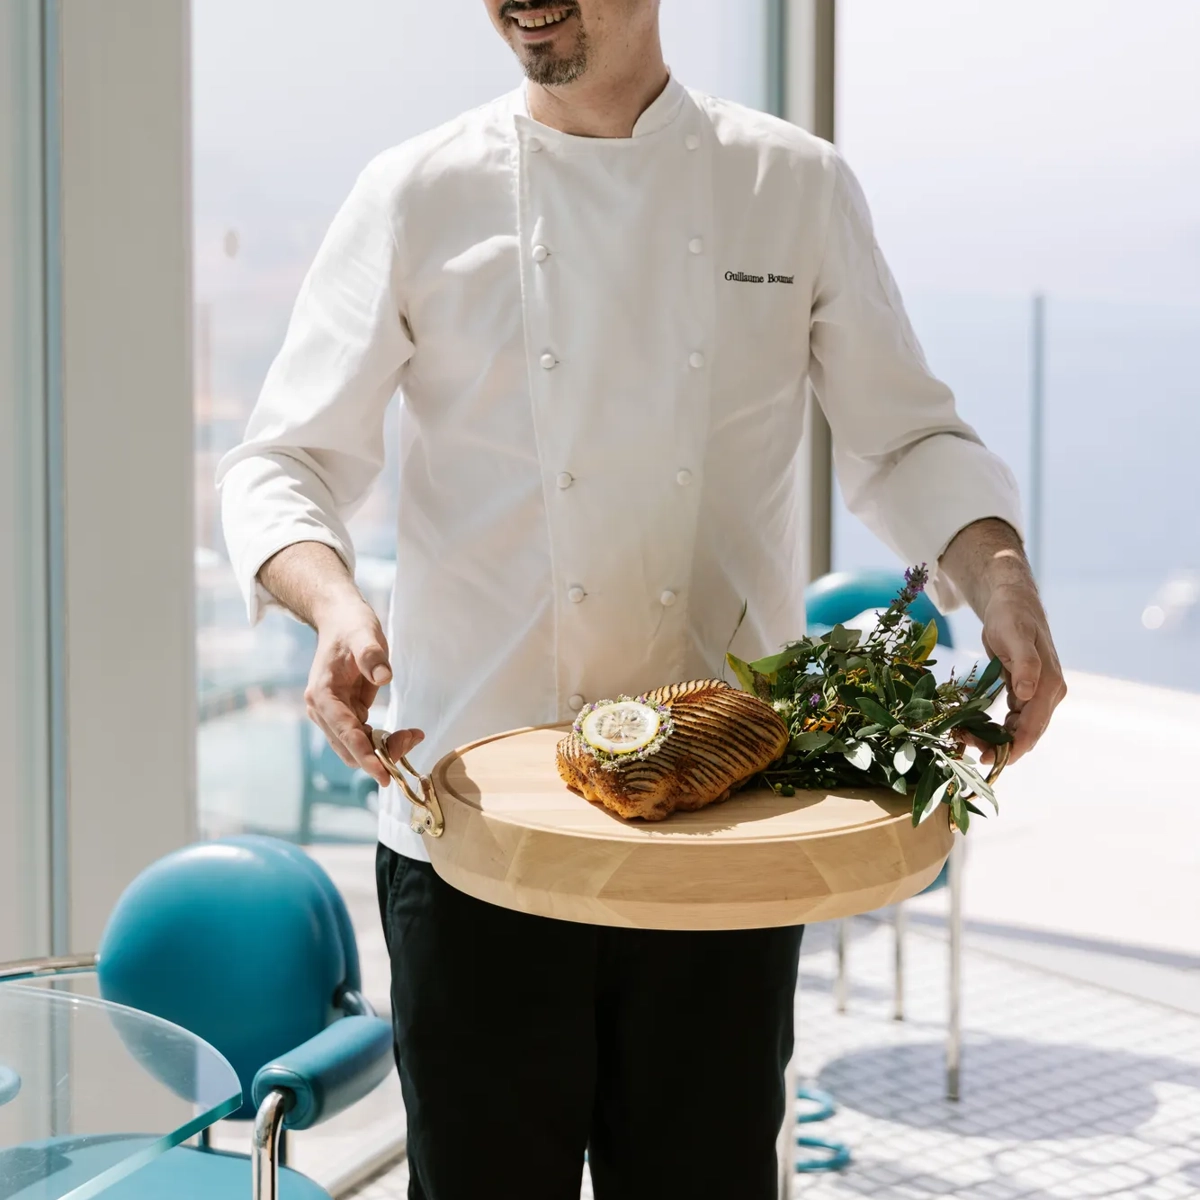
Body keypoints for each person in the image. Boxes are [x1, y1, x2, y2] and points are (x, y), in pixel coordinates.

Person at [216, 2, 1067, 1196]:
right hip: (476, 829)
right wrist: (334, 606)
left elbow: (907, 436)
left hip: (719, 846)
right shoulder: (416, 193)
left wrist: (1001, 577)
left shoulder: (794, 187)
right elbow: (282, 463)